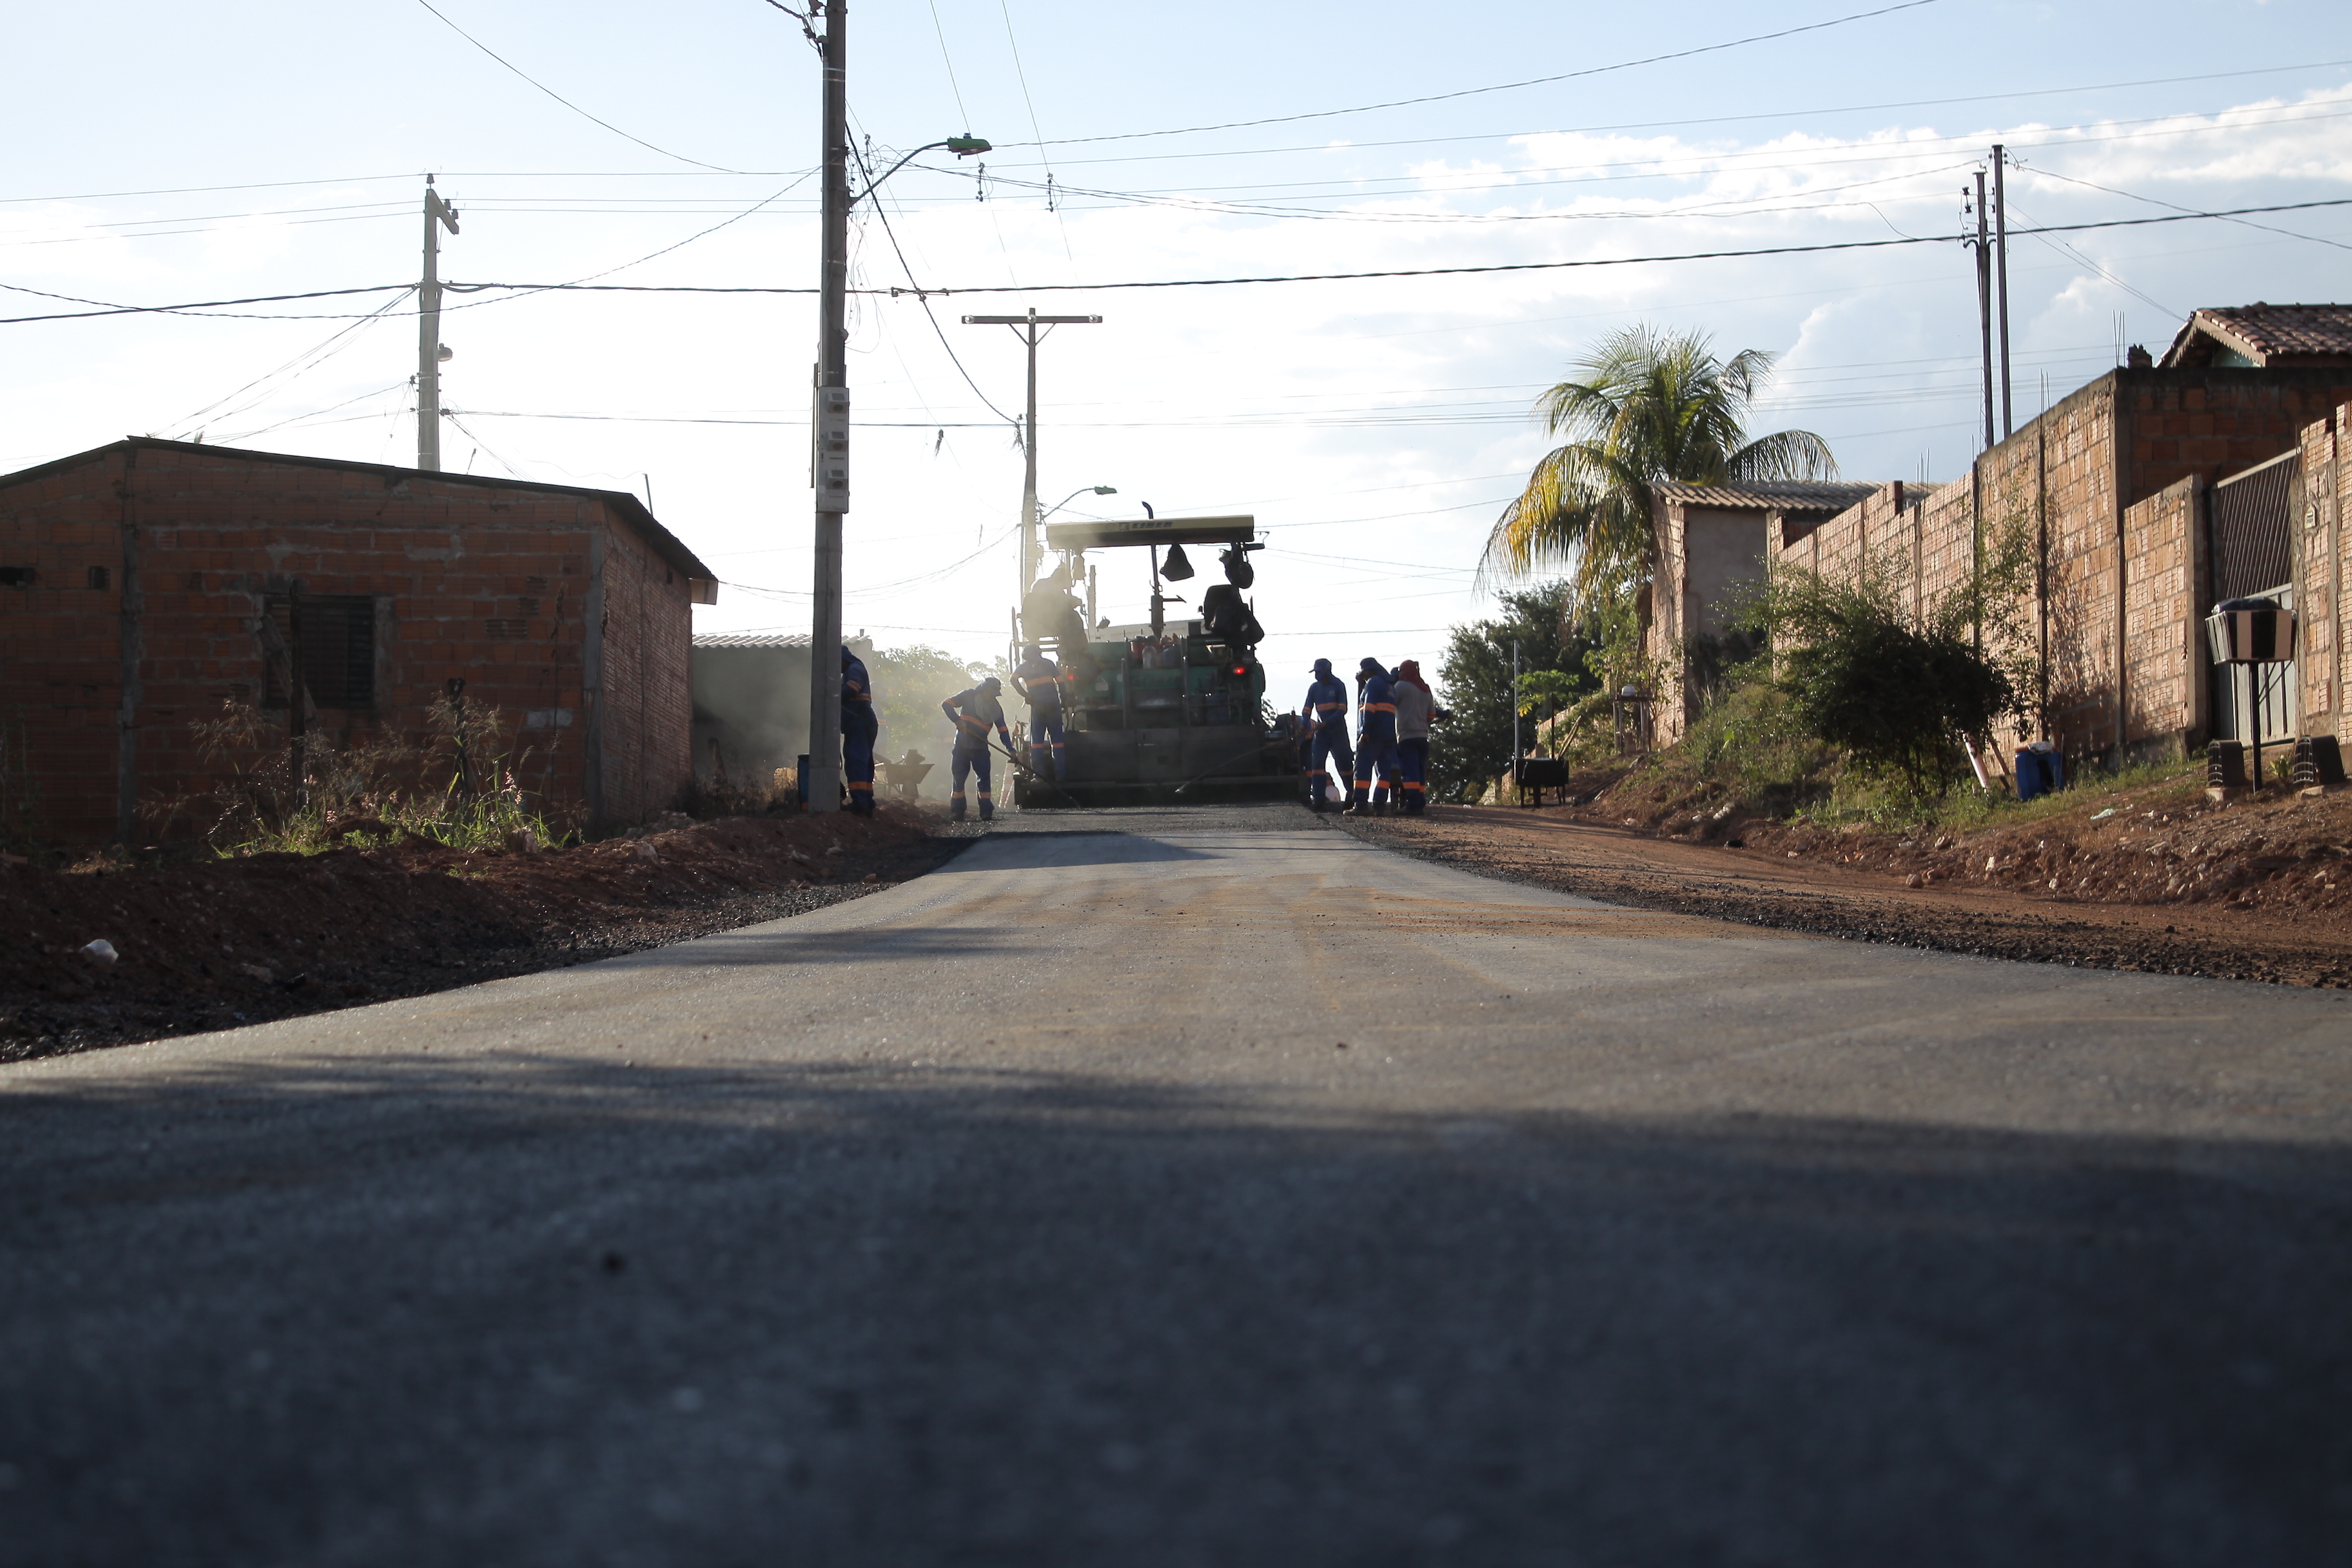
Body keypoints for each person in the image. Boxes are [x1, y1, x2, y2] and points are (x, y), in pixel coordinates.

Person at [941, 675, 1014, 821]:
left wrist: (1011, 749)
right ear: (984, 689)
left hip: (980, 748)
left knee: (984, 779)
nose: (992, 697)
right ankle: (957, 812)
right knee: (959, 779)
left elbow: (1003, 730)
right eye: (990, 693)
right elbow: (946, 704)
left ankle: (986, 811)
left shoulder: (996, 709)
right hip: (962, 745)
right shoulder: (968, 696)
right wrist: (957, 720)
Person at [1390, 659, 1449, 815]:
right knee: (1420, 772)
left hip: (1407, 736)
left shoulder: (1400, 686)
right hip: (1423, 737)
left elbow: (1390, 705)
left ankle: (1412, 805)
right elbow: (1432, 714)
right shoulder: (1425, 689)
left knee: (1409, 772)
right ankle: (1419, 803)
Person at [1299, 657, 1353, 812]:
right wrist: (1304, 724)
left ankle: (1352, 793)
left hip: (1337, 731)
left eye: (1320, 671)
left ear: (1327, 670)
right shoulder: (1314, 688)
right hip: (1321, 733)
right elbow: (1307, 709)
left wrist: (1327, 722)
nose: (1317, 675)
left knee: (1344, 763)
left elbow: (1342, 709)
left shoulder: (1338, 685)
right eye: (1315, 672)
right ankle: (1318, 798)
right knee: (1317, 765)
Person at [1350, 657, 1402, 815]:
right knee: (1384, 772)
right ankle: (1379, 806)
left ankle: (1360, 805)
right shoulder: (1390, 686)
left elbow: (1369, 708)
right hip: (1388, 734)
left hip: (1372, 733)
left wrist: (1365, 731)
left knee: (1363, 769)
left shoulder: (1373, 683)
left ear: (1370, 671)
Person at [1011, 641, 1068, 781]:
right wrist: (1064, 701)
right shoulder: (1049, 664)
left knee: (1036, 743)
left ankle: (1039, 777)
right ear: (1039, 653)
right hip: (1053, 705)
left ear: (1025, 655)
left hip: (1037, 707)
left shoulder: (1023, 667)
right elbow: (1061, 683)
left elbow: (1013, 680)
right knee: (1057, 742)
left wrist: (1026, 695)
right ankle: (1061, 776)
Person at [840, 644, 877, 815]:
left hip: (859, 722)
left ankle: (860, 803)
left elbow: (851, 688)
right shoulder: (856, 668)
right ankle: (867, 801)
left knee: (856, 761)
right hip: (862, 722)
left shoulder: (854, 669)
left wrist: (831, 694)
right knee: (864, 762)